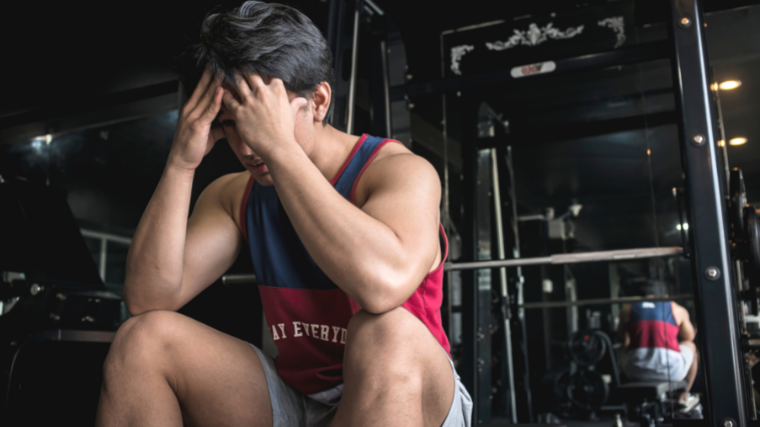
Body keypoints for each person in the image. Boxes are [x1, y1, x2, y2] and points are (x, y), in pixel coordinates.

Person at [94, 2, 472, 426]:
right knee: (141, 340)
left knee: (384, 332)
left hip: (409, 395)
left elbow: (383, 287)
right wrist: (182, 163)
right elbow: (148, 299)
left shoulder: (398, 172)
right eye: (233, 123)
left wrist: (280, 147)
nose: (248, 145)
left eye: (262, 120)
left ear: (318, 101)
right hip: (301, 400)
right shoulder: (236, 195)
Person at [618, 279, 700, 413]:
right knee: (690, 346)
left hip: (635, 372)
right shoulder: (676, 308)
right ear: (666, 296)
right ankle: (682, 397)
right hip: (671, 371)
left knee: (623, 348)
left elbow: (623, 340)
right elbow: (689, 337)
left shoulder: (627, 309)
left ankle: (633, 403)